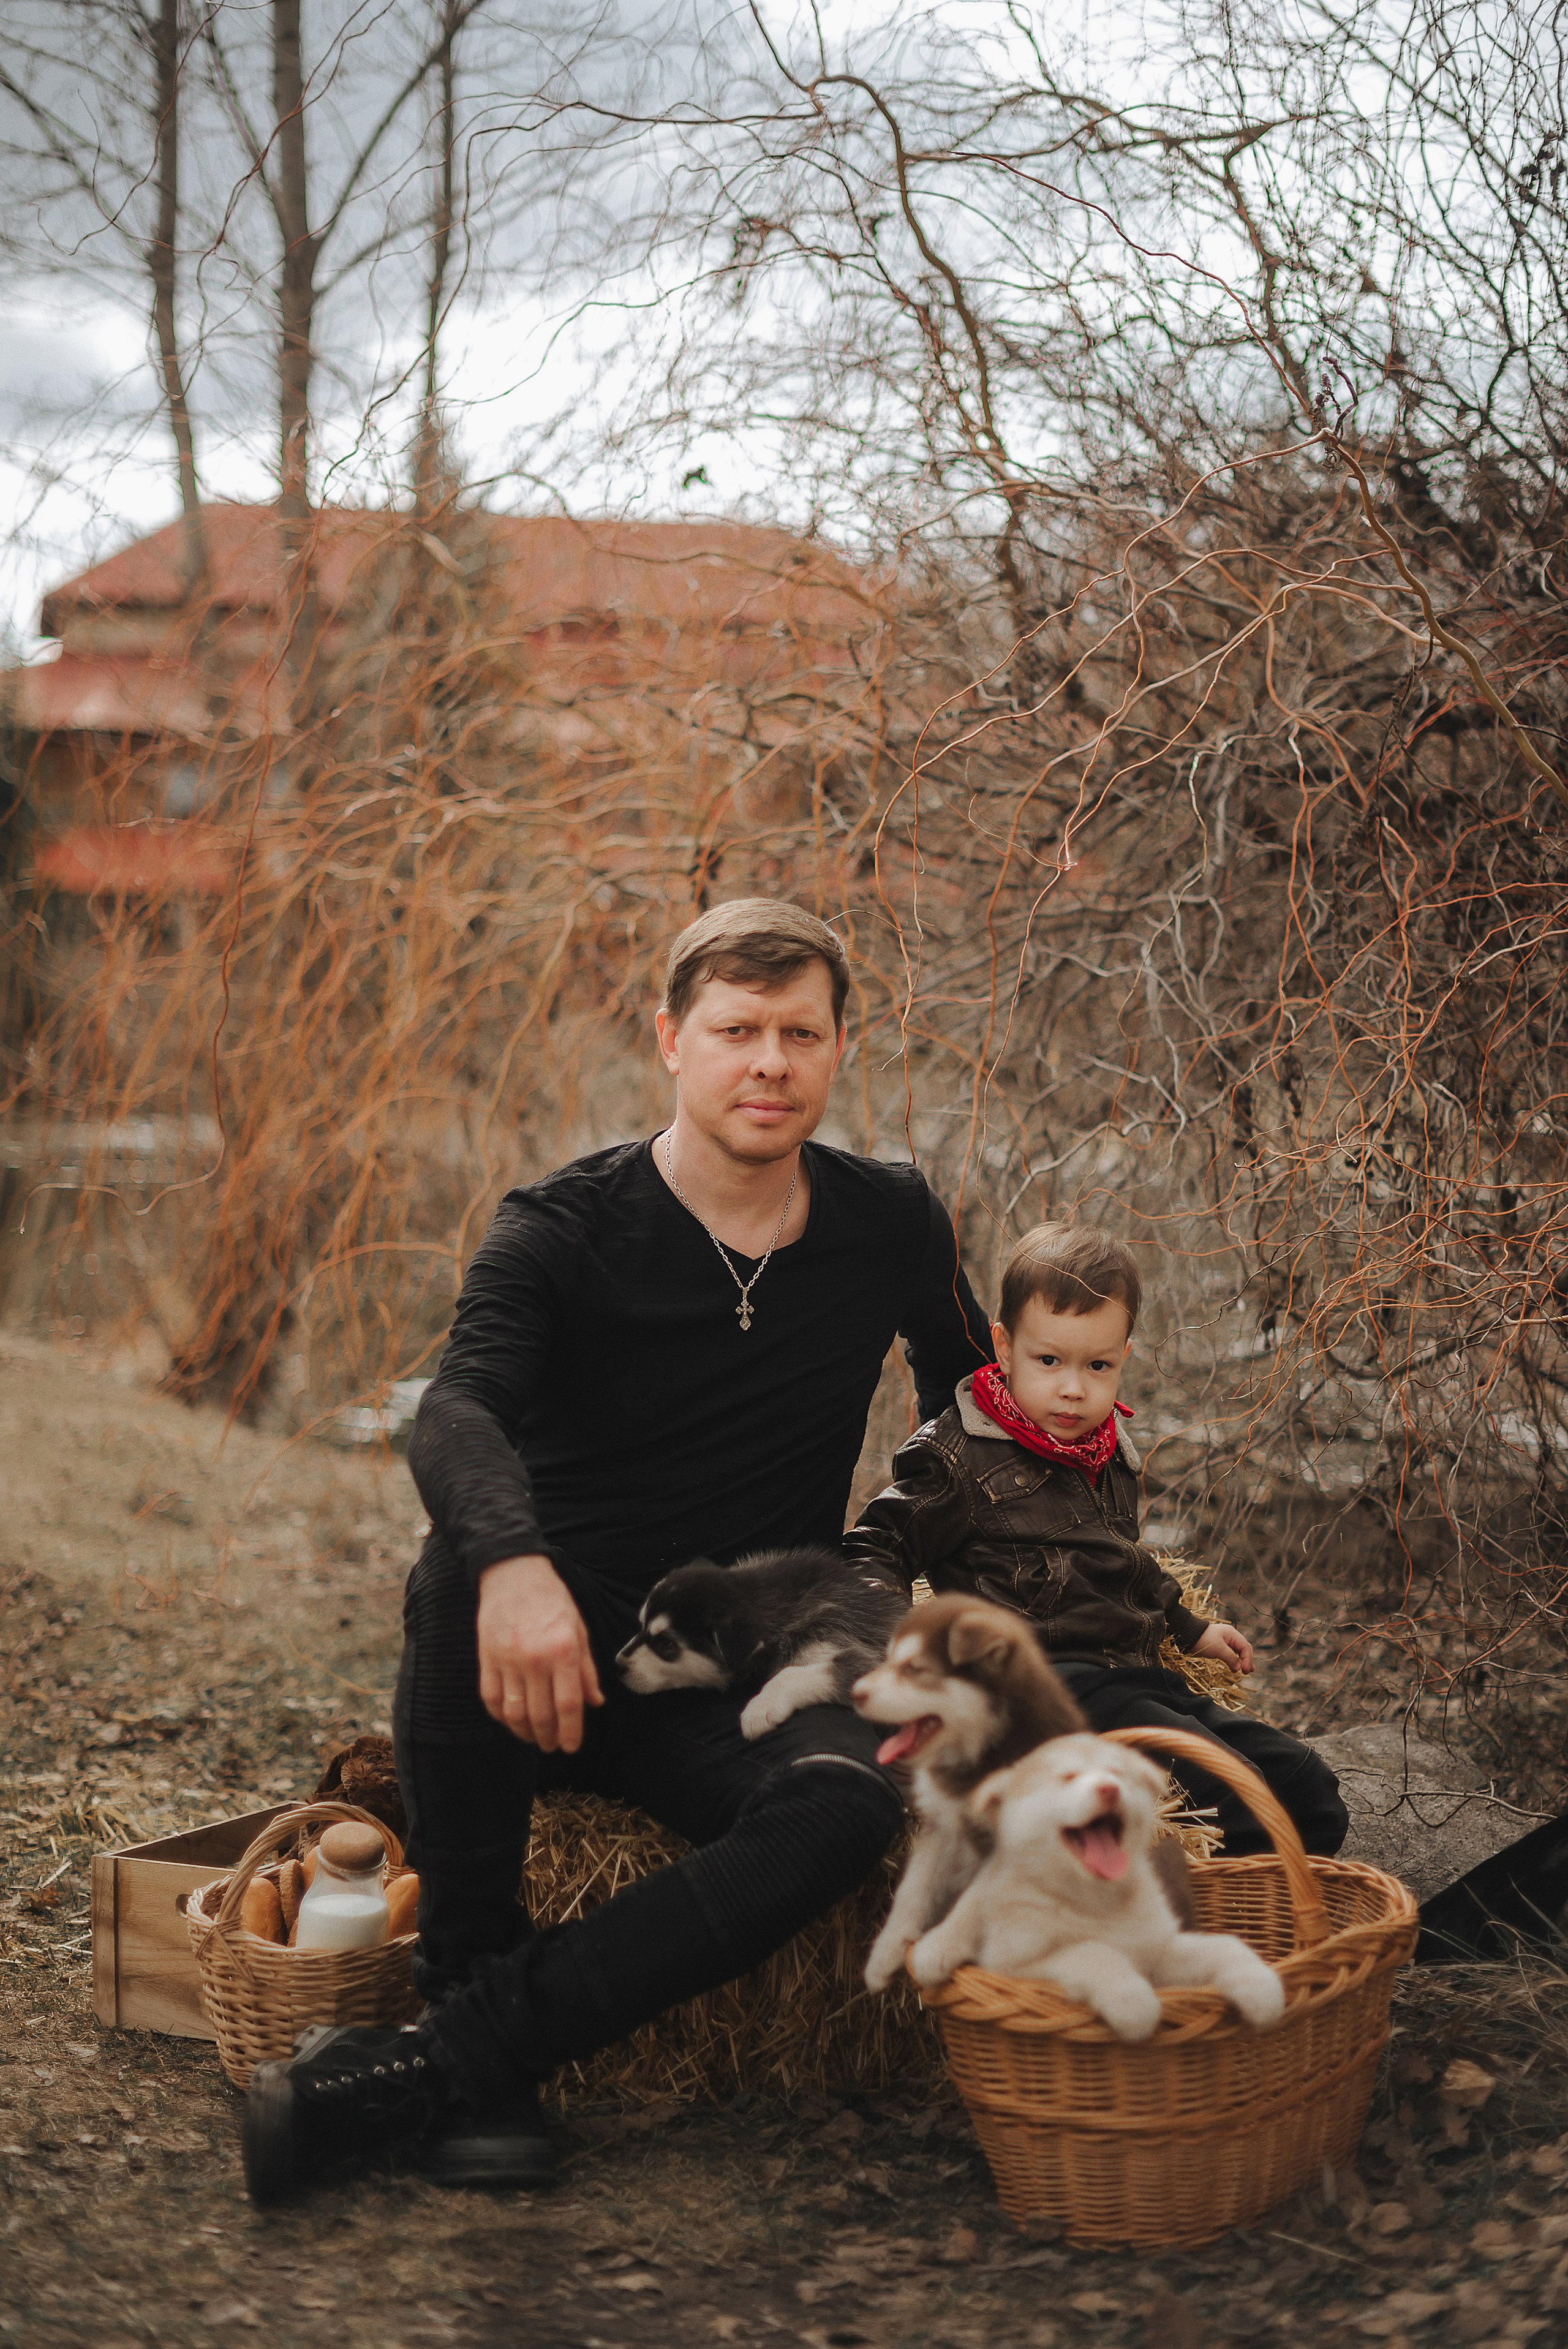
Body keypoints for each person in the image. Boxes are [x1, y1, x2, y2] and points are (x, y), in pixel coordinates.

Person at [241, 898, 991, 2206]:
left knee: (844, 1806)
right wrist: (516, 1565)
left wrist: (912, 1568)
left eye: (798, 1033)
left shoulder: (889, 1223)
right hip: (555, 1644)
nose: (769, 1062)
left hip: (743, 1658)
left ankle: (451, 2057)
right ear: (669, 1040)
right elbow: (459, 1409)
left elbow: (968, 1400)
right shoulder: (564, 1227)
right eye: (736, 1030)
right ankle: (469, 1980)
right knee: (457, 1574)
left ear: (835, 1049)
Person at [845, 1221, 1348, 1859]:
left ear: (1123, 1359)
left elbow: (1120, 1557)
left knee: (1307, 1783)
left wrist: (1188, 1627)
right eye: (1048, 1360)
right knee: (1232, 1797)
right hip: (1050, 1690)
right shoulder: (957, 1457)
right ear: (1004, 1346)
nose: (1073, 1388)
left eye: (1098, 1365)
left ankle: (1295, 1923)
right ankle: (1209, 1937)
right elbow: (875, 1544)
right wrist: (897, 1652)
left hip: (1135, 1676)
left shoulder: (1102, 1445)